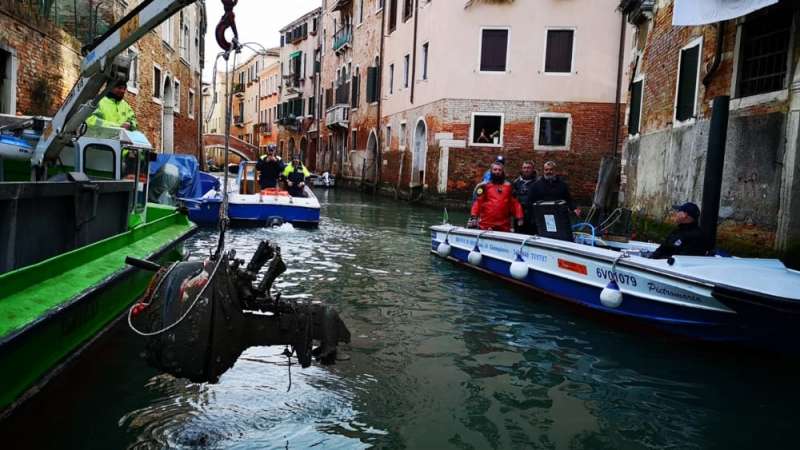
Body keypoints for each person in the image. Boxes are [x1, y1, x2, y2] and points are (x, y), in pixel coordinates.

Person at [468, 162, 524, 232]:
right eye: (495, 170)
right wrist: (474, 217)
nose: (497, 172)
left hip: (504, 225)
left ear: (502, 171)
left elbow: (515, 203)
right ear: (491, 171)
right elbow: (478, 202)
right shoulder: (484, 186)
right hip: (486, 224)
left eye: (499, 170)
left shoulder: (509, 186)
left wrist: (519, 217)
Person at [513, 160, 538, 235]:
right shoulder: (516, 183)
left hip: (533, 217)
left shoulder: (538, 183)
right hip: (519, 217)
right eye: (524, 168)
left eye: (528, 168)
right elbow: (513, 200)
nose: (526, 170)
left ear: (533, 169)